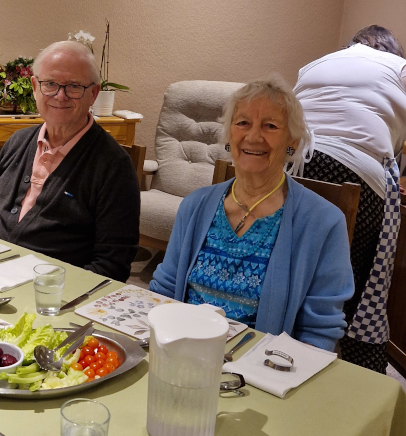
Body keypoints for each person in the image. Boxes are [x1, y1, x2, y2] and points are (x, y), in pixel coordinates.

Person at [149, 75, 354, 350]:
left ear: (292, 140)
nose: (253, 136)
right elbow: (165, 291)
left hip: (266, 368)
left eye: (270, 126)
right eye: (243, 122)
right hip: (182, 353)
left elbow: (320, 329)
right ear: (229, 134)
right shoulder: (194, 206)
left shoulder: (324, 223)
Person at [0, 40, 140, 281]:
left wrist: (47, 292)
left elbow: (112, 265)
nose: (60, 96)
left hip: (50, 298)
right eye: (49, 84)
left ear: (93, 93)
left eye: (73, 86)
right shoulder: (17, 142)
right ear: (34, 87)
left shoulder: (113, 166)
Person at [292, 25, 406, 372]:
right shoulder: (399, 68)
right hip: (355, 172)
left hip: (295, 164)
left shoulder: (315, 64)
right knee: (353, 278)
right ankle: (353, 357)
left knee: (294, 260)